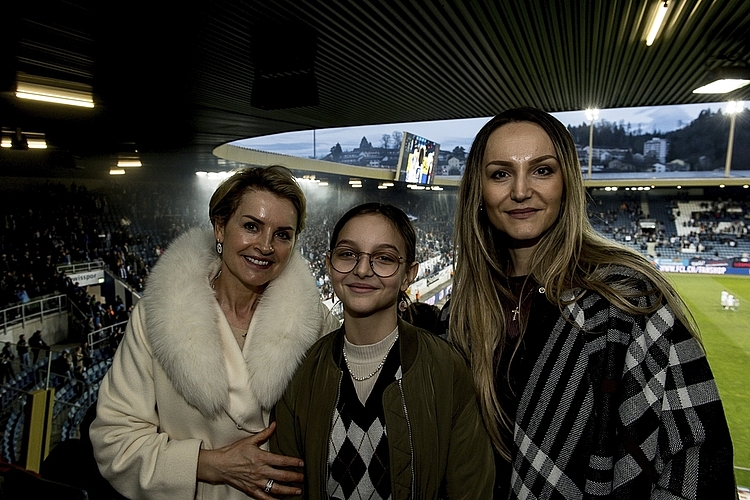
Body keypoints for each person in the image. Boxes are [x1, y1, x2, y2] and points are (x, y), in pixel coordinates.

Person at [449, 107, 736, 499]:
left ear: (567, 182)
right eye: (500, 173)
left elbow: (700, 459)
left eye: (542, 170)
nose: (520, 190)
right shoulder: (463, 312)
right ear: (478, 192)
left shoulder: (626, 297)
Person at [90, 166, 340, 500]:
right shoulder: (155, 317)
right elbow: (115, 439)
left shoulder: (315, 322)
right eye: (251, 226)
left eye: (282, 234)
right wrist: (208, 464)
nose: (265, 246)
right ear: (220, 228)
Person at [272, 203, 494, 499]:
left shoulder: (447, 370)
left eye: (384, 258)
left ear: (408, 274)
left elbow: (471, 489)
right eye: (348, 254)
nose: (362, 270)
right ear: (328, 264)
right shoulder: (300, 372)